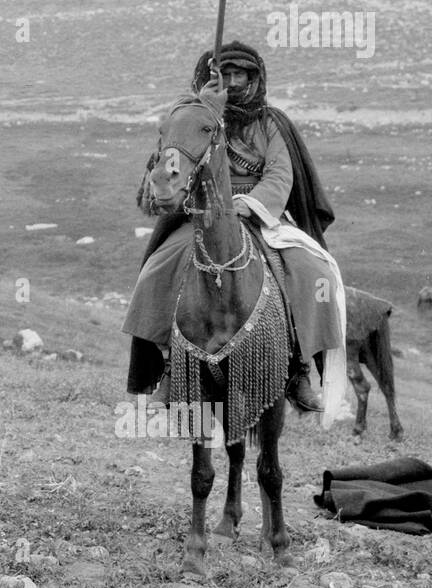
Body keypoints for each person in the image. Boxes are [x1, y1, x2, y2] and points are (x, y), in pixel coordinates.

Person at [124, 41, 342, 412]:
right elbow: (173, 156)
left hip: (260, 216)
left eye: (238, 75)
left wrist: (246, 204)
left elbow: (279, 175)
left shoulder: (271, 123)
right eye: (224, 75)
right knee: (157, 271)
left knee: (313, 271)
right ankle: (169, 366)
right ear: (209, 78)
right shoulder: (190, 114)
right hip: (202, 215)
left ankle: (299, 367)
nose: (232, 82)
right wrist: (205, 108)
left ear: (253, 78)